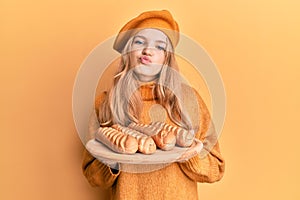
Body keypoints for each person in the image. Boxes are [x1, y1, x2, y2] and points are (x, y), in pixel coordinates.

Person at [82, 10, 225, 200]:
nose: (148, 51)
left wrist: (190, 156)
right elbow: (93, 176)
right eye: (139, 42)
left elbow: (216, 168)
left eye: (159, 46)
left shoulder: (189, 100)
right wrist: (114, 159)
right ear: (128, 52)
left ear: (167, 57)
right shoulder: (105, 104)